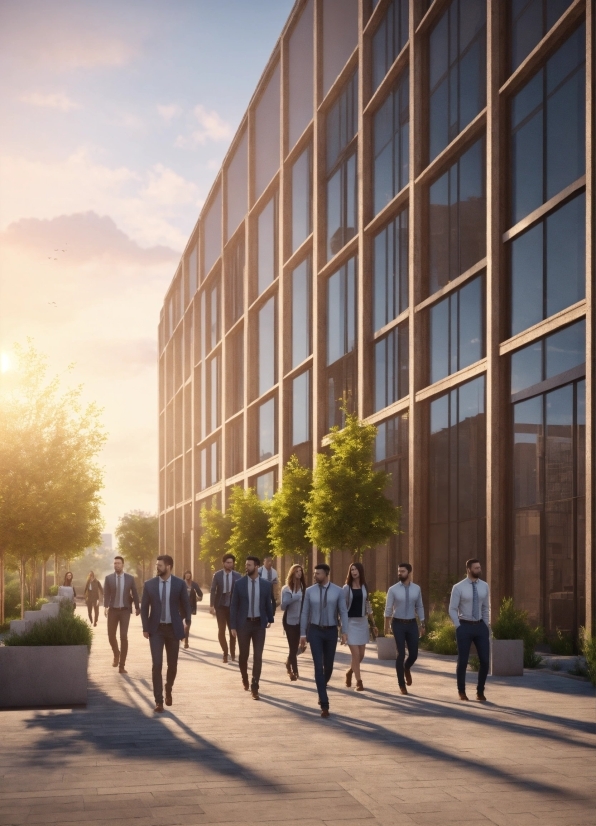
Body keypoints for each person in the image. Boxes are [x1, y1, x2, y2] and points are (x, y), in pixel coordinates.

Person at [141, 554, 192, 713]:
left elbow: (185, 604)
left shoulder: (179, 584)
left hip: (173, 629)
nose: (157, 567)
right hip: (156, 630)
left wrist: (186, 620)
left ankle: (168, 687)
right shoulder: (149, 584)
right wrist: (145, 627)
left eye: (160, 565)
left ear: (168, 566)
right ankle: (158, 700)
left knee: (173, 665)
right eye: (157, 565)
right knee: (157, 665)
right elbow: (144, 608)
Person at [299, 563, 349, 718]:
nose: (315, 576)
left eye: (318, 574)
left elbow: (343, 612)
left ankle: (322, 686)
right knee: (317, 666)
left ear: (326, 574)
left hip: (331, 631)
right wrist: (302, 633)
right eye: (315, 573)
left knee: (329, 666)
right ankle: (324, 701)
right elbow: (305, 612)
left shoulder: (338, 591)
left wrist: (345, 631)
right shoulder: (309, 591)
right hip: (315, 631)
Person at [229, 555, 274, 700]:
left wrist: (270, 618)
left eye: (249, 565)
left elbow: (268, 603)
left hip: (259, 624)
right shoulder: (239, 583)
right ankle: (244, 677)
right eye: (245, 564)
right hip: (244, 624)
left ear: (256, 567)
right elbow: (234, 605)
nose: (246, 567)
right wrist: (233, 626)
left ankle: (255, 686)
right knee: (244, 655)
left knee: (258, 656)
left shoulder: (266, 584)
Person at [449, 558, 491, 703]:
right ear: (469, 569)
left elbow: (486, 607)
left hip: (480, 626)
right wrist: (458, 625)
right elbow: (452, 609)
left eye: (480, 567)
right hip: (464, 626)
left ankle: (480, 691)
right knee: (463, 661)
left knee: (485, 660)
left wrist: (486, 625)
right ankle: (461, 691)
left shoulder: (484, 586)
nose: (479, 570)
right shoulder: (458, 587)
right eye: (476, 568)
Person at [384, 563, 425, 695]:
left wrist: (422, 624)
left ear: (409, 572)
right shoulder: (393, 589)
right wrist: (386, 625)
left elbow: (419, 606)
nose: (400, 573)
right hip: (398, 624)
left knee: (414, 654)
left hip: (412, 623)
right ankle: (402, 685)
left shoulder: (416, 589)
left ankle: (407, 668)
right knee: (400, 654)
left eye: (402, 571)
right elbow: (388, 607)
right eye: (399, 571)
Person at [342, 562, 377, 691]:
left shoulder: (364, 587)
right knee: (355, 655)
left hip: (362, 622)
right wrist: (342, 628)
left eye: (356, 569)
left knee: (361, 655)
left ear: (360, 571)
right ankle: (359, 682)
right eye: (351, 569)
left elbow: (368, 606)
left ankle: (350, 671)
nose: (353, 571)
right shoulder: (346, 588)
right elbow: (342, 607)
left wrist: (373, 624)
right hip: (350, 623)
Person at [103, 556, 140, 674]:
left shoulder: (130, 578)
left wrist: (137, 607)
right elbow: (106, 593)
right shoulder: (108, 578)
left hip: (125, 611)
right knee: (110, 635)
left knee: (123, 636)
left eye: (118, 563)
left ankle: (122, 666)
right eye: (115, 563)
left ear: (123, 565)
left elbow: (134, 592)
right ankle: (116, 653)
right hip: (113, 610)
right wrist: (105, 607)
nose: (116, 565)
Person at [210, 553, 241, 663]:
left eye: (231, 563)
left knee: (233, 630)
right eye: (227, 562)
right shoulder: (217, 575)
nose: (229, 564)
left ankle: (233, 653)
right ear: (223, 563)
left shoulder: (237, 576)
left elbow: (240, 592)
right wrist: (211, 606)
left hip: (232, 607)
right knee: (221, 630)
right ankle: (225, 652)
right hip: (220, 606)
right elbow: (213, 590)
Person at [280, 564, 306, 681]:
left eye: (300, 571)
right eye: (296, 571)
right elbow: (283, 606)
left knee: (301, 647)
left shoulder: (304, 588)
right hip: (289, 621)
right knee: (293, 647)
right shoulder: (286, 589)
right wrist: (295, 598)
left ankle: (288, 662)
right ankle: (294, 672)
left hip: (301, 621)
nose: (299, 573)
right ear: (292, 573)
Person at [182, 570, 203, 649]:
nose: (187, 576)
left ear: (191, 575)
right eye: (186, 574)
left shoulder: (194, 584)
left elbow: (200, 593)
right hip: (181, 606)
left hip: (189, 607)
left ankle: (186, 640)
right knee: (181, 623)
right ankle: (182, 636)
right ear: (184, 575)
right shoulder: (181, 583)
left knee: (188, 623)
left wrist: (197, 598)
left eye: (189, 575)